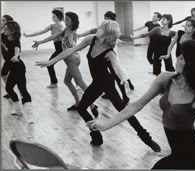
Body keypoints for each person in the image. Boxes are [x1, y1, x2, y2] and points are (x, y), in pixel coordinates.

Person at [87, 40, 195, 169]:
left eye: (182, 58)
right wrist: (106, 124)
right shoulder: (166, 79)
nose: (177, 58)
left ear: (193, 65)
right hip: (176, 155)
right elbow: (136, 105)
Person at [36, 20, 161, 152]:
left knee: (124, 111)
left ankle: (147, 139)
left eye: (101, 27)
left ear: (107, 33)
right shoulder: (91, 39)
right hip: (96, 83)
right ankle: (96, 136)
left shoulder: (110, 52)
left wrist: (123, 79)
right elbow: (70, 51)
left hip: (107, 84)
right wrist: (51, 62)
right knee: (82, 108)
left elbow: (117, 68)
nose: (98, 28)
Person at [32, 12, 98, 115]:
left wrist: (71, 41)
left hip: (72, 60)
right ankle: (78, 103)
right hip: (72, 59)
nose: (65, 21)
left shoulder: (71, 32)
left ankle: (92, 105)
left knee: (80, 82)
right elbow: (53, 36)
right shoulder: (66, 30)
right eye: (65, 19)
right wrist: (40, 42)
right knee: (67, 81)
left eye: (67, 19)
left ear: (72, 22)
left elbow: (72, 44)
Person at [77, 11, 134, 104]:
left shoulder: (112, 29)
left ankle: (124, 95)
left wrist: (119, 41)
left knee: (117, 74)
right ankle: (111, 91)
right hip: (102, 56)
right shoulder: (102, 29)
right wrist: (79, 35)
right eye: (105, 18)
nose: (105, 20)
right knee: (110, 75)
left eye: (107, 18)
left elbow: (114, 36)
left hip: (109, 56)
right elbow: (91, 31)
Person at [23, 9, 64, 88]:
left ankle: (54, 83)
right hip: (58, 48)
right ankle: (55, 83)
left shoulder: (62, 27)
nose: (52, 17)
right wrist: (28, 35)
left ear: (58, 17)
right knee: (68, 66)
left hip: (61, 48)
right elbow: (40, 32)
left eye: (54, 16)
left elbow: (59, 37)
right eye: (52, 16)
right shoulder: (52, 26)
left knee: (50, 64)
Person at [3, 21, 34, 123]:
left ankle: (30, 114)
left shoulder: (16, 41)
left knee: (22, 90)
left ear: (12, 31)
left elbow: (17, 50)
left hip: (19, 67)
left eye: (6, 28)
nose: (4, 29)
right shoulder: (3, 36)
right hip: (11, 67)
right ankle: (19, 110)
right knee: (8, 88)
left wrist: (16, 56)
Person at [1, 14, 14, 99]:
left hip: (11, 57)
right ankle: (10, 91)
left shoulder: (9, 32)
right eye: (1, 20)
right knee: (5, 74)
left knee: (4, 73)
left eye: (3, 21)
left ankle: (10, 91)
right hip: (6, 56)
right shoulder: (2, 30)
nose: (1, 22)